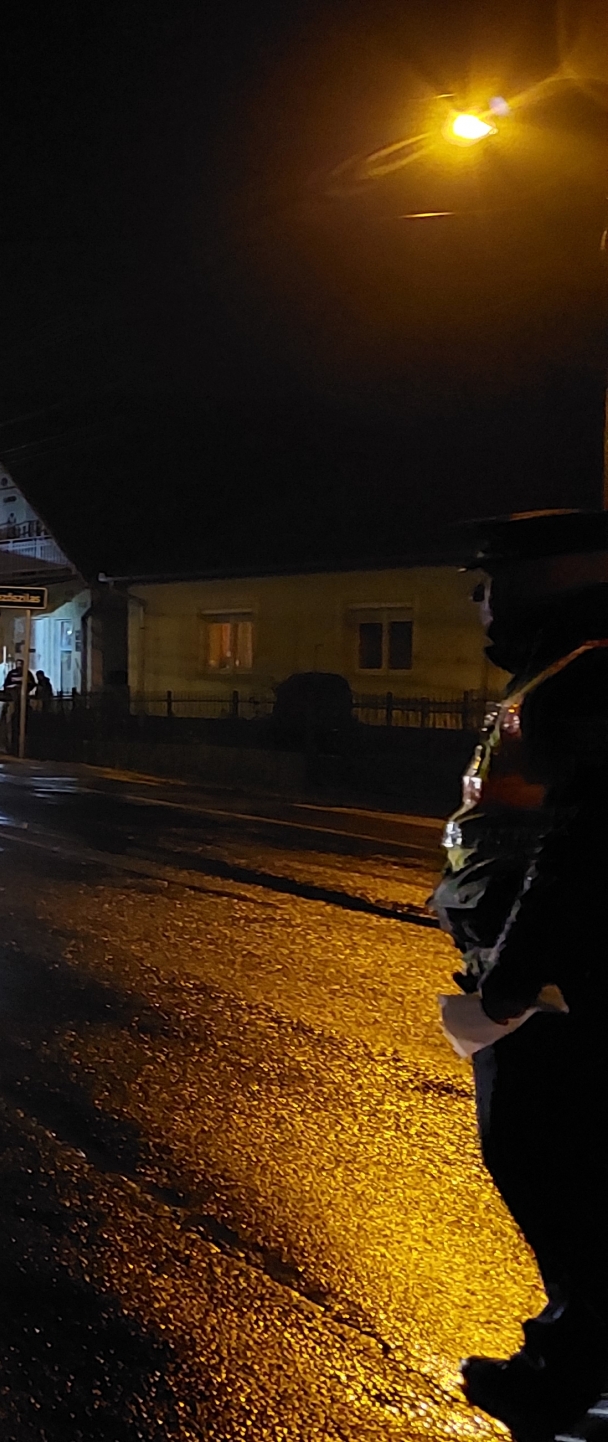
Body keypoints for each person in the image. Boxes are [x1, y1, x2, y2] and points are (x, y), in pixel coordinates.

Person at [431, 510, 608, 1439]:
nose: (482, 603)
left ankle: (568, 1383)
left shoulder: (590, 672)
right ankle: (564, 1368)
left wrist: (510, 979)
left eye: (494, 582)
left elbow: (583, 844)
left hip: (556, 992)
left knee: (559, 1176)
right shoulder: (563, 667)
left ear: (556, 578)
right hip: (548, 979)